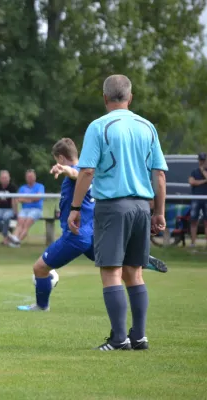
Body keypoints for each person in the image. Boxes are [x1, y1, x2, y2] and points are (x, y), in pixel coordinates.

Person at [68, 75, 167, 350]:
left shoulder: (99, 126)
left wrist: (75, 208)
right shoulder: (148, 127)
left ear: (104, 98)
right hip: (142, 207)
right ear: (130, 97)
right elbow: (159, 174)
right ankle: (139, 336)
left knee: (111, 272)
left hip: (113, 206)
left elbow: (87, 171)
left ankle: (118, 338)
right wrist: (158, 212)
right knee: (135, 272)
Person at [18, 138, 168, 313]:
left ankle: (41, 306)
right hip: (92, 233)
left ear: (60, 158)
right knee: (118, 269)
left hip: (75, 236)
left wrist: (63, 169)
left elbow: (72, 173)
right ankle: (137, 260)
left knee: (40, 268)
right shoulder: (93, 172)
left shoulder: (79, 173)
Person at [9, 170, 44, 246]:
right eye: (28, 177)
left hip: (36, 209)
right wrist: (31, 198)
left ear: (35, 177)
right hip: (25, 210)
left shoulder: (40, 186)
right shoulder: (22, 188)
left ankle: (17, 241)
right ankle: (14, 239)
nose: (30, 178)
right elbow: (19, 199)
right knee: (20, 223)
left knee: (26, 224)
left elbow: (38, 197)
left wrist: (25, 199)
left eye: (31, 176)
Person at [0, 170, 18, 245]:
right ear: (0, 179)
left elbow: (14, 200)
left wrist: (15, 212)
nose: (4, 179)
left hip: (9, 209)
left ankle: (5, 234)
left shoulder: (12, 187)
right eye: (3, 178)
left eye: (6, 178)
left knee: (6, 217)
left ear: (9, 178)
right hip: (0, 209)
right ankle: (7, 234)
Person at [188, 152, 207, 247]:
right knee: (194, 220)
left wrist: (203, 172)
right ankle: (193, 242)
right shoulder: (194, 171)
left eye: (203, 160)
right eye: (200, 160)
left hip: (206, 198)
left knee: (206, 221)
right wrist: (204, 181)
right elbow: (191, 182)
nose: (202, 162)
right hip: (196, 198)